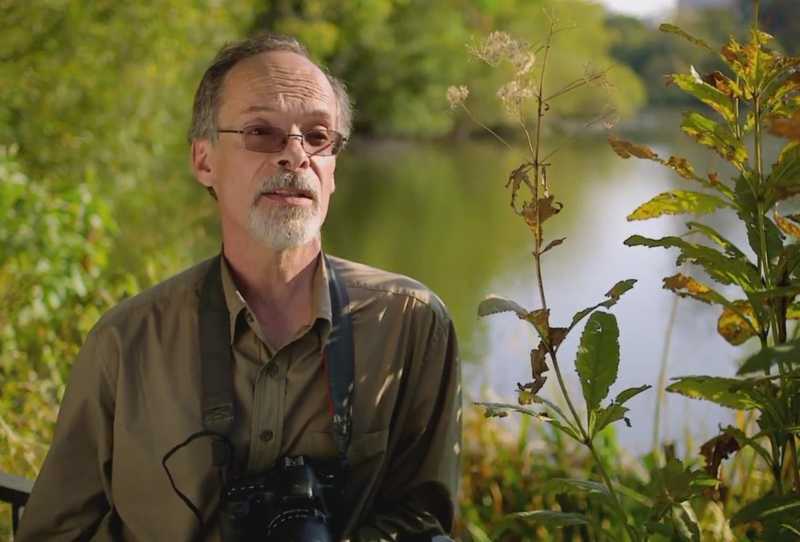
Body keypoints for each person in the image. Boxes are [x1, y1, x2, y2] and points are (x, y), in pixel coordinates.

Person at [16, 33, 461, 541]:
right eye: (260, 132)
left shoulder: (409, 323)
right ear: (204, 161)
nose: (296, 157)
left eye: (317, 136)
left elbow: (424, 520)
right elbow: (53, 533)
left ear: (334, 166)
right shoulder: (125, 342)